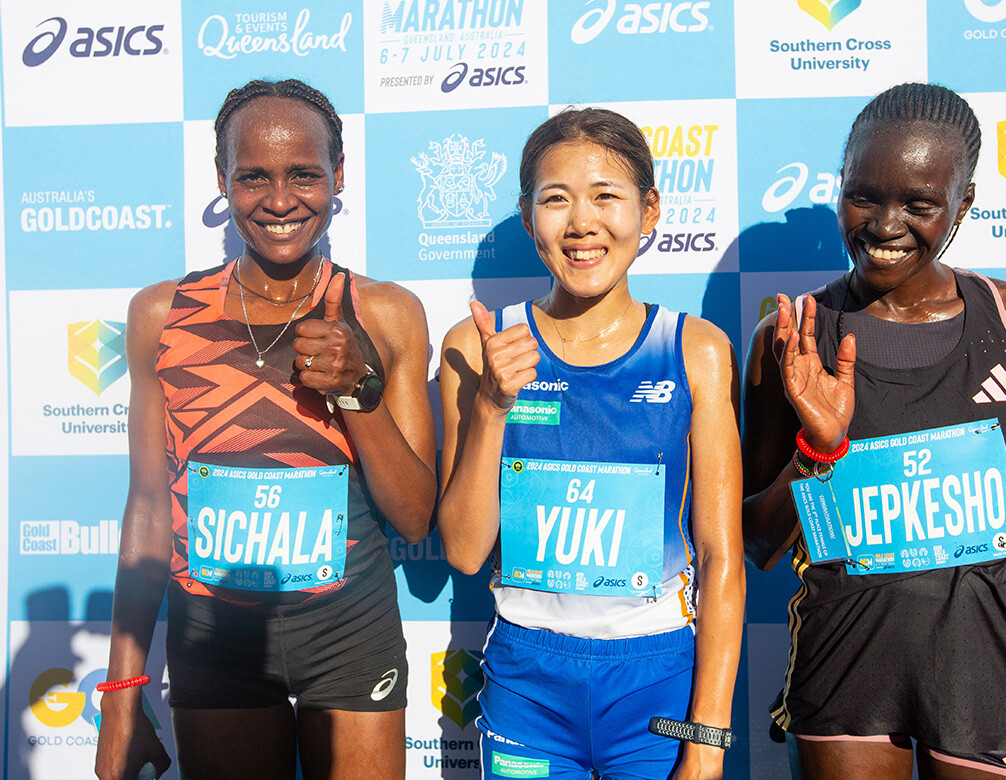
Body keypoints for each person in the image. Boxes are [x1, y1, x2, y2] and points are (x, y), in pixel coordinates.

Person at [741, 83, 1006, 780]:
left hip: (996, 676)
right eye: (863, 196)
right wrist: (816, 453)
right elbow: (757, 542)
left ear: (963, 205)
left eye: (919, 204)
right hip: (844, 677)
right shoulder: (789, 339)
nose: (884, 225)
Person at [95, 79, 436, 780]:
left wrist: (357, 390)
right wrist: (123, 692)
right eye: (253, 177)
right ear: (222, 179)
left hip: (350, 634)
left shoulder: (385, 312)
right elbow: (149, 509)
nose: (280, 200)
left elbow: (413, 516)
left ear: (338, 175)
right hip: (212, 640)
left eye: (303, 174)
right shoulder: (161, 314)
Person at [437, 108, 745, 780]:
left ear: (649, 209)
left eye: (606, 196)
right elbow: (463, 550)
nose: (582, 223)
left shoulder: (696, 350)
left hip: (657, 688)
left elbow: (722, 557)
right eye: (556, 200)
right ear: (529, 218)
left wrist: (708, 740)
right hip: (526, 688)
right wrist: (491, 405)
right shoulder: (477, 348)